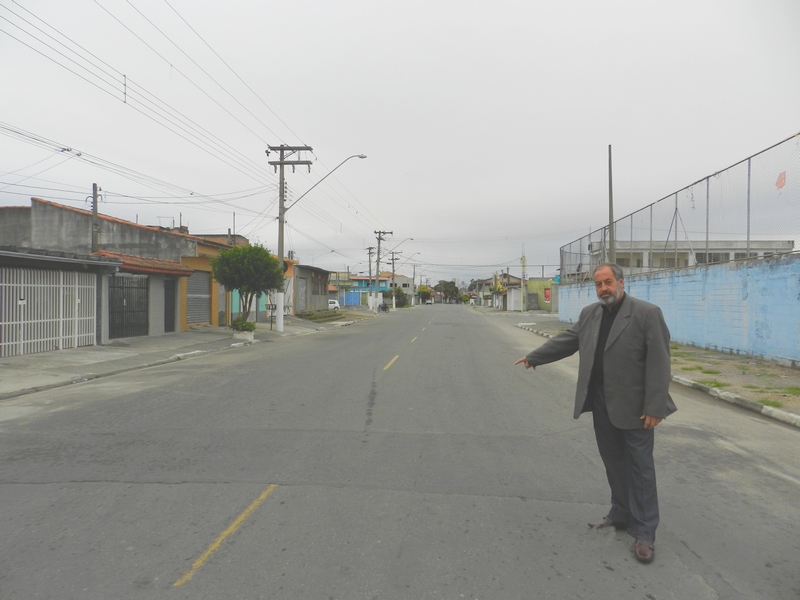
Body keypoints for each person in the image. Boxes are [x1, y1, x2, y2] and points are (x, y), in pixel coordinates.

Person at [515, 263, 676, 563]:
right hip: (602, 402)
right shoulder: (591, 313)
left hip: (637, 407)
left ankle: (644, 533)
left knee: (641, 469)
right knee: (613, 461)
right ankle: (621, 513)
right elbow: (568, 340)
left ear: (621, 282)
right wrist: (535, 357)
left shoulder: (646, 313)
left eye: (608, 282)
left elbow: (659, 362)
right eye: (599, 284)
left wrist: (655, 407)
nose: (604, 288)